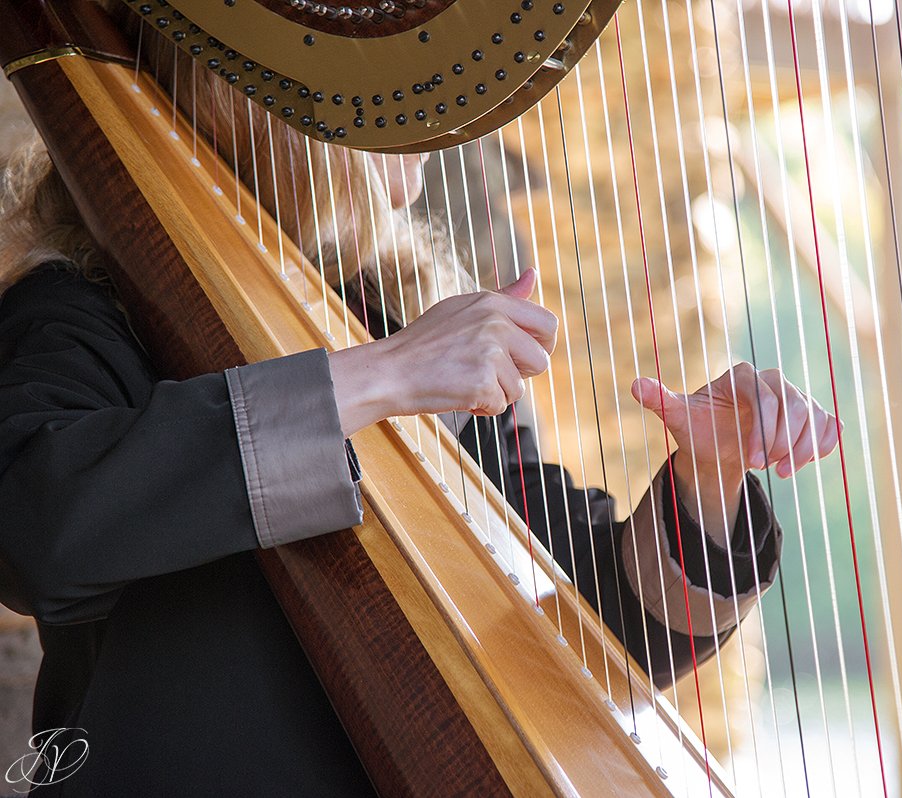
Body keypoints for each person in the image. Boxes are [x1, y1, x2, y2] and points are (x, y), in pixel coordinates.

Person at [0, 69, 841, 797]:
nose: (409, 186)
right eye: (383, 131)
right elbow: (38, 534)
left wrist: (707, 482)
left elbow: (583, 622)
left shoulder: (388, 313)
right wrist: (381, 377)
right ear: (271, 118)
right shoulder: (81, 314)